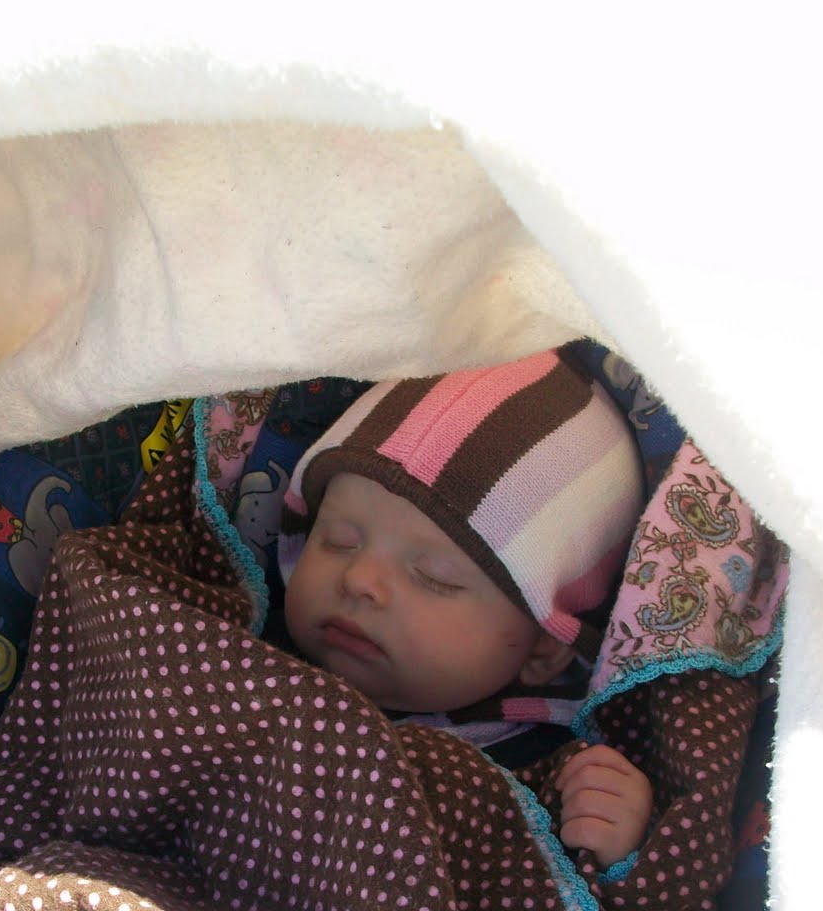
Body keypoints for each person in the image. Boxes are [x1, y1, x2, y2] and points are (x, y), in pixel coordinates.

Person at [277, 349, 654, 871]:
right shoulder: (237, 649)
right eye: (338, 540)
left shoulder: (551, 779)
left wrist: (621, 851)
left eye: (433, 577)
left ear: (544, 648)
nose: (360, 580)